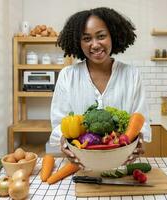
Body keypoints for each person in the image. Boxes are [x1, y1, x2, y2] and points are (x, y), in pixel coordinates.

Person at [47, 7, 151, 167]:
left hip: (121, 162)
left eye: (101, 36)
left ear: (113, 36)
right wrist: (62, 141)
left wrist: (138, 141)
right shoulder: (68, 75)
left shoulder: (131, 74)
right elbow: (59, 122)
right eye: (87, 38)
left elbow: (141, 119)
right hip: (81, 164)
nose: (95, 45)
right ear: (78, 42)